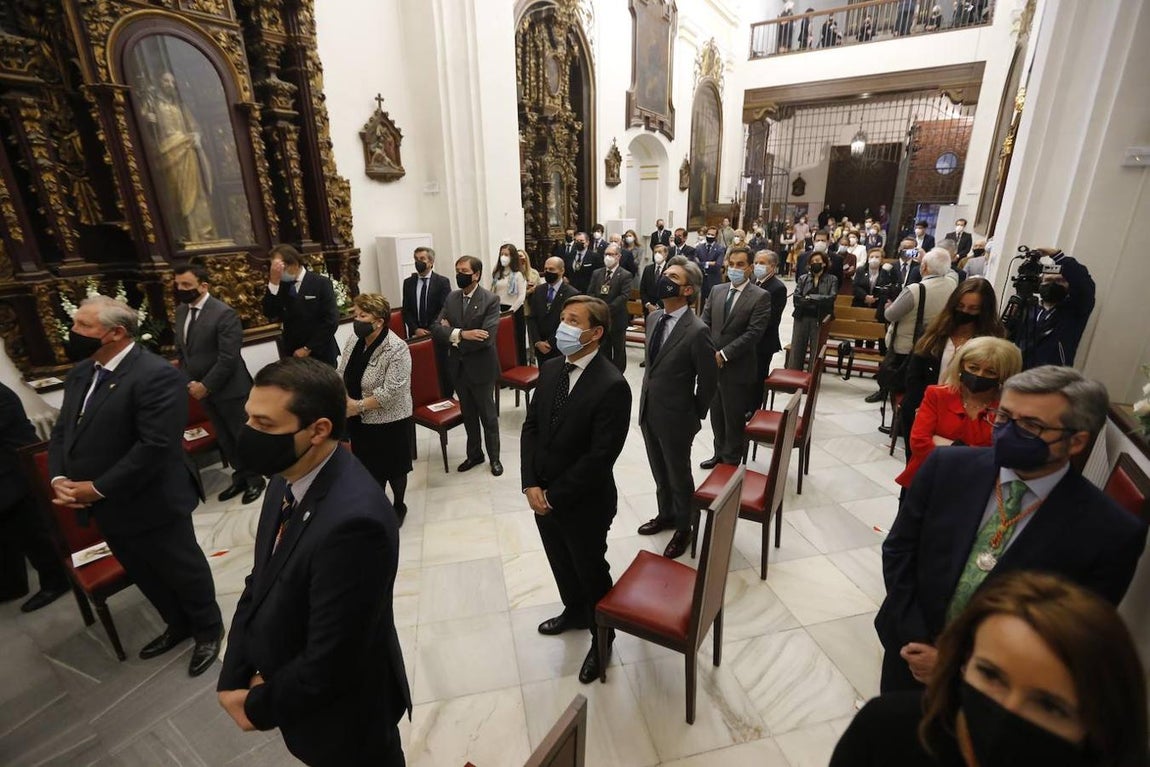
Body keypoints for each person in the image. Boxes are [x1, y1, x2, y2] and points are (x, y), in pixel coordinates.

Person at [875, 366, 1149, 693]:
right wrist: (914, 637)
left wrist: (960, 665)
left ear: (1076, 441)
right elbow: (900, 550)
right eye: (1004, 416)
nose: (1007, 432)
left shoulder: (1110, 532)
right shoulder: (946, 468)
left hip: (999, 687)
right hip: (910, 654)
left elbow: (1071, 633)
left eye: (1031, 425)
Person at [217, 358, 411, 766]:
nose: (248, 433)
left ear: (318, 430)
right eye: (248, 418)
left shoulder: (355, 522)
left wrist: (257, 706)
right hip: (298, 694)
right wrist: (234, 672)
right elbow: (261, 580)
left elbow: (333, 658)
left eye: (265, 424)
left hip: (346, 719)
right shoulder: (286, 476)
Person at [50, 296, 222, 676]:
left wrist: (96, 488)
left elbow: (156, 447)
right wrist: (60, 477)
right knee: (142, 568)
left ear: (116, 333)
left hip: (153, 497)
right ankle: (176, 624)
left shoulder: (155, 375)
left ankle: (208, 630)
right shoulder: (82, 372)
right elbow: (65, 430)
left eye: (82, 326)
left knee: (181, 567)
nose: (72, 333)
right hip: (110, 504)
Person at [833, 572, 1150, 766]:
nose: (1007, 709)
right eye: (991, 675)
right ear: (963, 662)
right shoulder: (885, 730)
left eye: (1048, 705)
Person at [522, 295, 632, 685]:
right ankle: (574, 611)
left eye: (573, 320)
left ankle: (603, 637)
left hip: (583, 502)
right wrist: (531, 483)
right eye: (563, 318)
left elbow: (600, 458)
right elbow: (532, 426)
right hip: (544, 494)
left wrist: (554, 496)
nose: (563, 326)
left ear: (595, 332)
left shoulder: (612, 384)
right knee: (560, 562)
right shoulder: (552, 368)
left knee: (590, 569)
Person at [636, 257, 718, 559]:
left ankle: (685, 526)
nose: (664, 279)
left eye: (672, 276)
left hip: (678, 416)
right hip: (649, 410)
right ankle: (666, 514)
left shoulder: (697, 330)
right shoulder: (654, 318)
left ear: (687, 290)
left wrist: (694, 413)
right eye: (664, 274)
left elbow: (709, 380)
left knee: (678, 473)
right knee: (659, 470)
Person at [173, 264, 265, 505]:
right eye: (178, 284)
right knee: (224, 438)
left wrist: (206, 385)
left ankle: (256, 479)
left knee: (241, 434)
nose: (180, 289)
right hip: (202, 390)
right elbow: (182, 352)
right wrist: (189, 382)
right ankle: (240, 476)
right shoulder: (181, 312)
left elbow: (228, 357)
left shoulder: (223, 313)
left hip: (230, 389)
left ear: (203, 286)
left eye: (186, 285)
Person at [895, 337, 1022, 488]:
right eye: (973, 368)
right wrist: (974, 453)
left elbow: (1000, 457)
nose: (980, 375)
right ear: (961, 366)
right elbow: (919, 444)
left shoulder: (1009, 409)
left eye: (990, 372)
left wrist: (950, 444)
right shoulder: (937, 395)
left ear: (1003, 375)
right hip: (928, 480)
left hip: (976, 488)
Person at [900, 279, 1006, 446]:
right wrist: (922, 409)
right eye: (961, 306)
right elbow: (914, 375)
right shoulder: (932, 333)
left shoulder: (992, 340)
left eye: (973, 309)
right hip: (923, 409)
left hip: (964, 415)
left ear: (983, 311)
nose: (965, 312)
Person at [337, 294, 413, 526]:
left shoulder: (396, 348)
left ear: (379, 321)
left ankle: (399, 504)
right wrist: (342, 398)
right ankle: (377, 504)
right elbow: (342, 372)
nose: (356, 320)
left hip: (390, 420)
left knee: (394, 468)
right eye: (355, 315)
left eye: (362, 315)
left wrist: (356, 406)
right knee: (369, 467)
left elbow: (392, 392)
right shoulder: (354, 340)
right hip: (359, 419)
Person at [0, 382, 70, 612]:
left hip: (16, 469)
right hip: (8, 471)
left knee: (32, 531)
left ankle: (56, 581)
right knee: (10, 531)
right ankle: (13, 585)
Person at [431, 256, 503, 475]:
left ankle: (495, 458)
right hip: (458, 368)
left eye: (464, 271)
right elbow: (435, 328)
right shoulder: (452, 298)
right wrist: (463, 334)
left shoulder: (490, 300)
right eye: (457, 270)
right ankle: (474, 454)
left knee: (488, 416)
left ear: (476, 274)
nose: (459, 274)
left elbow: (486, 337)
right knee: (469, 415)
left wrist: (451, 333)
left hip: (481, 368)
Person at [700, 247, 771, 468]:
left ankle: (731, 461)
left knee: (733, 417)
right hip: (713, 365)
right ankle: (718, 452)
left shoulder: (760, 296)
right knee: (716, 415)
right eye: (731, 264)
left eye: (740, 265)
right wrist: (708, 351)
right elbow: (704, 323)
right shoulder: (717, 290)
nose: (735, 268)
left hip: (738, 366)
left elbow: (753, 333)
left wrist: (724, 354)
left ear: (750, 268)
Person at [865, 249, 955, 403]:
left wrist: (889, 306)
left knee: (898, 379)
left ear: (924, 267)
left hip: (907, 345)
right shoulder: (952, 284)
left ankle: (892, 404)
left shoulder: (915, 289)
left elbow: (891, 315)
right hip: (934, 344)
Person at [1014, 249, 1096, 369]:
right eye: (1048, 280)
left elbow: (1083, 283)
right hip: (1019, 372)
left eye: (1059, 281)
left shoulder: (1075, 311)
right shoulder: (1029, 309)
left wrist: (1056, 255)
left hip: (1052, 376)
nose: (1052, 284)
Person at [261, 244, 339, 367]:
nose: (278, 271)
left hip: (320, 351)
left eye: (280, 267)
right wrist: (273, 283)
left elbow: (331, 320)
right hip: (292, 353)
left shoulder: (320, 283)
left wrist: (308, 348)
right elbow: (269, 312)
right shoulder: (281, 285)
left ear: (293, 263)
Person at [402, 246, 453, 396]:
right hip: (417, 334)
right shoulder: (408, 283)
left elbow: (444, 309)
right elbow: (406, 310)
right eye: (416, 259)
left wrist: (432, 329)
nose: (418, 262)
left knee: (442, 369)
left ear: (431, 262)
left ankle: (446, 398)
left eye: (422, 259)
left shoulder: (442, 282)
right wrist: (415, 329)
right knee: (422, 370)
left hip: (436, 333)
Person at [587, 243, 635, 372]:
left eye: (611, 254)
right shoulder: (597, 273)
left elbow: (624, 296)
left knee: (618, 349)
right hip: (600, 319)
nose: (608, 257)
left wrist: (606, 309)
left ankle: (618, 374)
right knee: (603, 348)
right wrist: (596, 308)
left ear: (618, 256)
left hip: (617, 318)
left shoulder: (625, 275)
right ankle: (605, 372)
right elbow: (590, 292)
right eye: (606, 254)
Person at [787, 250, 837, 371]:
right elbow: (797, 298)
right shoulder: (803, 278)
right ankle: (793, 375)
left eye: (818, 261)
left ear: (824, 263)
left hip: (820, 318)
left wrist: (810, 298)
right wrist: (813, 300)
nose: (815, 263)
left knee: (816, 349)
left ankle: (812, 378)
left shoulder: (832, 279)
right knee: (797, 347)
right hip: (802, 316)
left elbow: (831, 298)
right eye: (812, 261)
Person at [752, 250, 788, 409]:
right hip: (749, 338)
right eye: (756, 262)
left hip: (763, 340)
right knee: (748, 374)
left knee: (758, 376)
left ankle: (754, 408)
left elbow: (771, 319)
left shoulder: (777, 287)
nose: (757, 266)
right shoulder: (753, 281)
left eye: (762, 263)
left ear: (772, 267)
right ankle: (746, 403)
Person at [530, 257, 581, 364]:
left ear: (562, 271)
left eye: (552, 269)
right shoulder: (539, 290)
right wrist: (537, 342)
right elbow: (532, 318)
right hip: (540, 347)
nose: (548, 272)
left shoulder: (572, 294)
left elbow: (568, 323)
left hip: (559, 346)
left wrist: (550, 343)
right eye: (545, 269)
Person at [491, 243, 527, 365]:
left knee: (516, 342)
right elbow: (493, 292)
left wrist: (510, 311)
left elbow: (521, 296)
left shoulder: (518, 274)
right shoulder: (497, 274)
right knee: (503, 342)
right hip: (499, 310)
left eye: (506, 254)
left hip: (514, 311)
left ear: (512, 257)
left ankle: (520, 367)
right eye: (502, 254)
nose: (503, 257)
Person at [518, 248, 542, 363]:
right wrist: (527, 291)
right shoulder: (514, 275)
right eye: (517, 257)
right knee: (519, 336)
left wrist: (534, 289)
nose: (520, 259)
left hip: (531, 309)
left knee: (533, 336)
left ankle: (533, 359)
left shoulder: (534, 273)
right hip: (518, 310)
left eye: (522, 256)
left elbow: (540, 290)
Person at [694, 226, 726, 301]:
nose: (709, 236)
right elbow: (695, 264)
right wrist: (708, 263)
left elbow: (718, 265)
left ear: (716, 236)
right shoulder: (699, 248)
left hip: (714, 281)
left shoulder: (720, 249)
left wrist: (701, 263)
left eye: (712, 235)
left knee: (713, 303)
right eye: (708, 234)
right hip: (701, 280)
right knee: (699, 305)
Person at [640, 244, 668, 318]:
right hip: (648, 310)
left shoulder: (669, 269)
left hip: (664, 309)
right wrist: (648, 305)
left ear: (665, 255)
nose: (657, 254)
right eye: (655, 252)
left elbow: (669, 291)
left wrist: (658, 306)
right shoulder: (648, 269)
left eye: (660, 252)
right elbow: (643, 290)